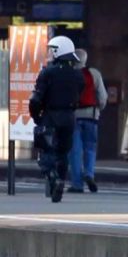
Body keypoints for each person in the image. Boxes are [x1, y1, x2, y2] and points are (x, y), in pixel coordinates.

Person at [30, 36, 85, 203]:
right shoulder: (77, 75)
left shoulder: (47, 72)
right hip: (69, 117)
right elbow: (79, 94)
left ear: (56, 51)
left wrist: (36, 116)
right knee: (63, 152)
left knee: (45, 150)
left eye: (50, 50)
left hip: (50, 115)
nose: (48, 53)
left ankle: (52, 176)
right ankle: (61, 179)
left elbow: (36, 99)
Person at [68, 49, 107, 194]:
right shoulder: (94, 74)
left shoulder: (68, 74)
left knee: (75, 151)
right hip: (91, 116)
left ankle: (77, 185)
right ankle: (89, 174)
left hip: (73, 117)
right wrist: (98, 109)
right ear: (85, 59)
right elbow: (102, 97)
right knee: (90, 149)